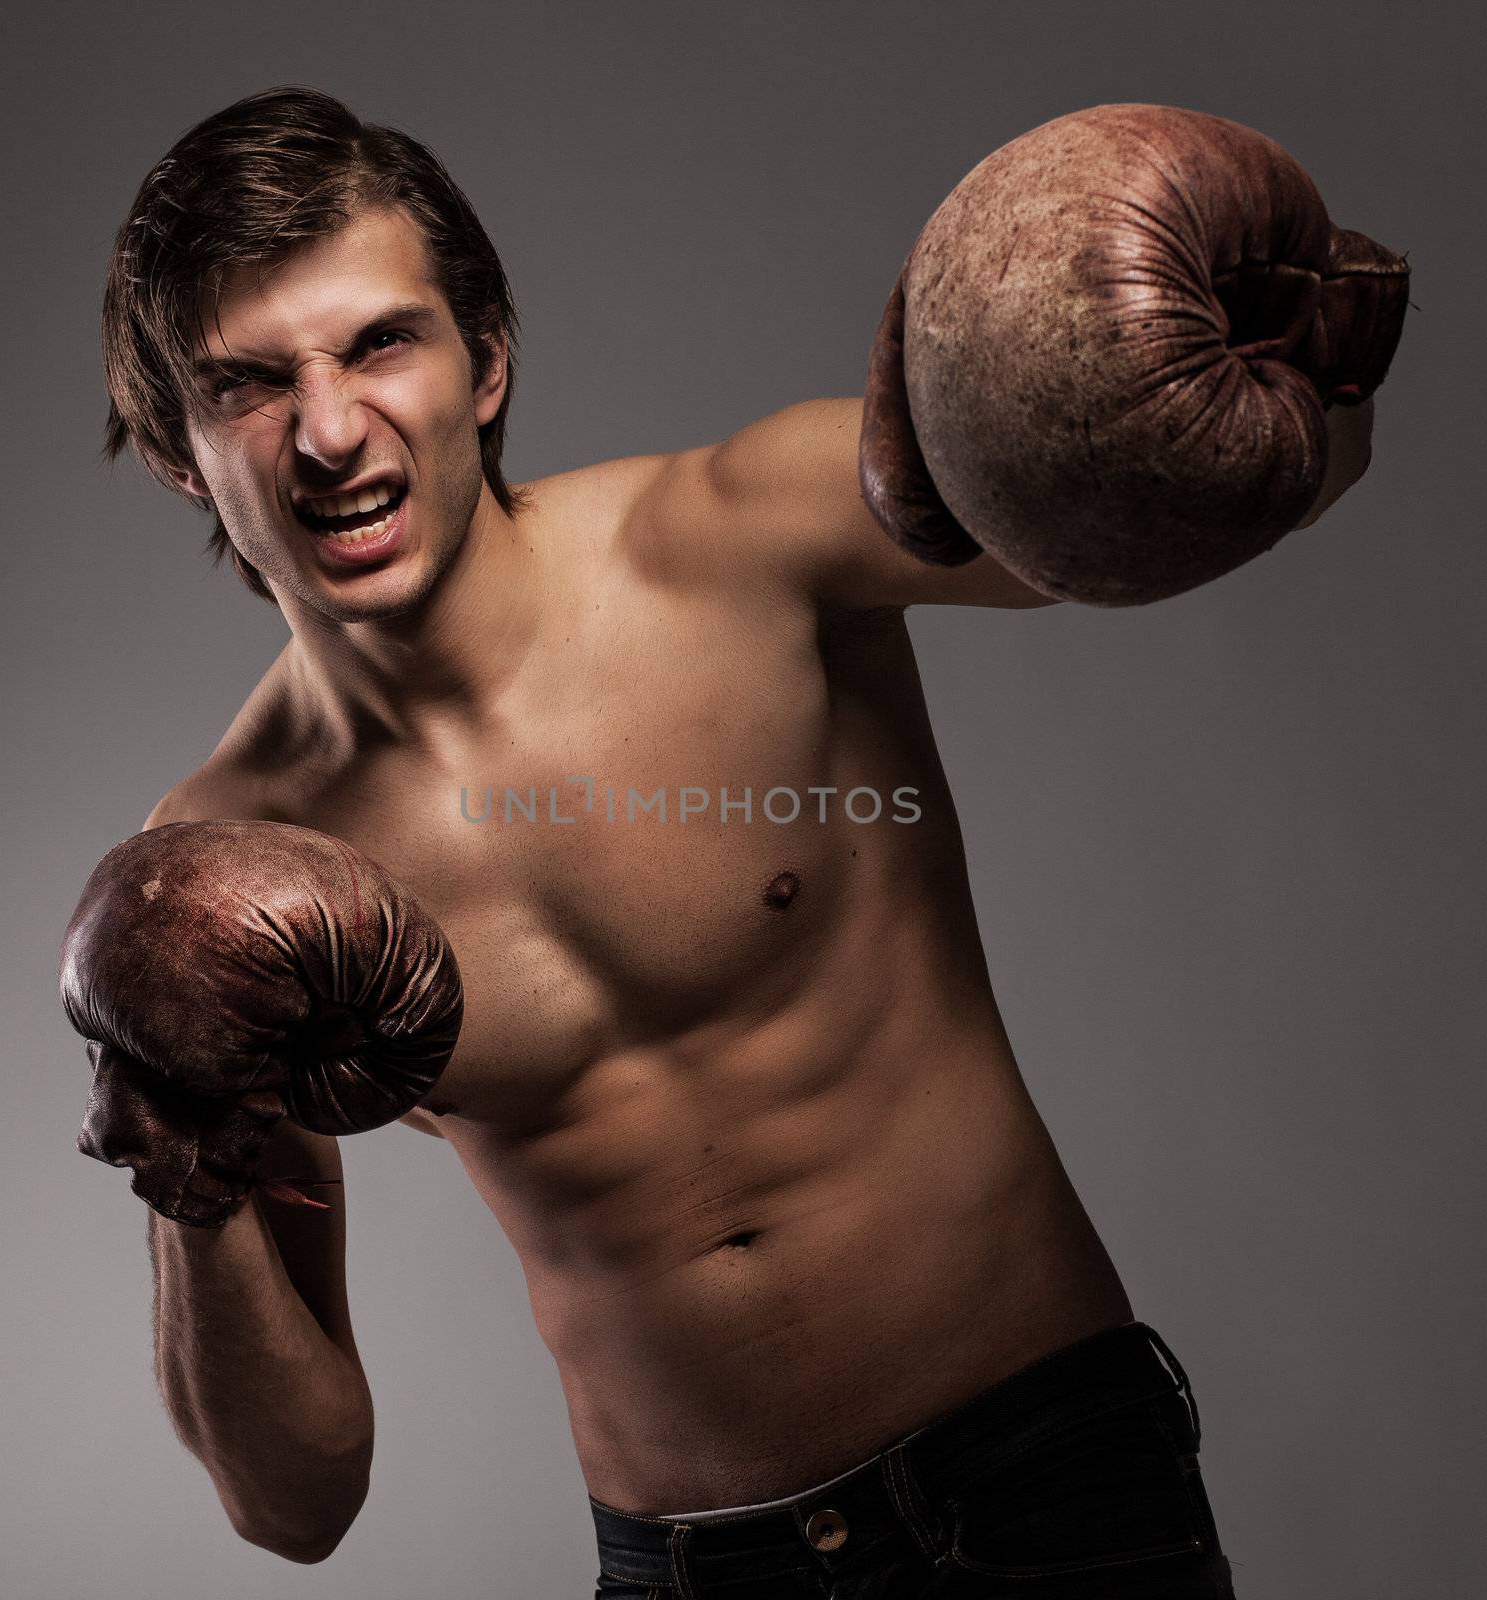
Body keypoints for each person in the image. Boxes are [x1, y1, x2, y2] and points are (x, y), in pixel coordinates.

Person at [78, 85, 1396, 1597]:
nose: (326, 429)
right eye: (248, 384)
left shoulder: (742, 535)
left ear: (485, 359)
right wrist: (178, 1174)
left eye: (382, 341)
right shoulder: (225, 874)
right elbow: (297, 1499)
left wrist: (1316, 341)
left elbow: (1229, 487)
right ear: (181, 451)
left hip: (1045, 1487)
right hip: (694, 1568)